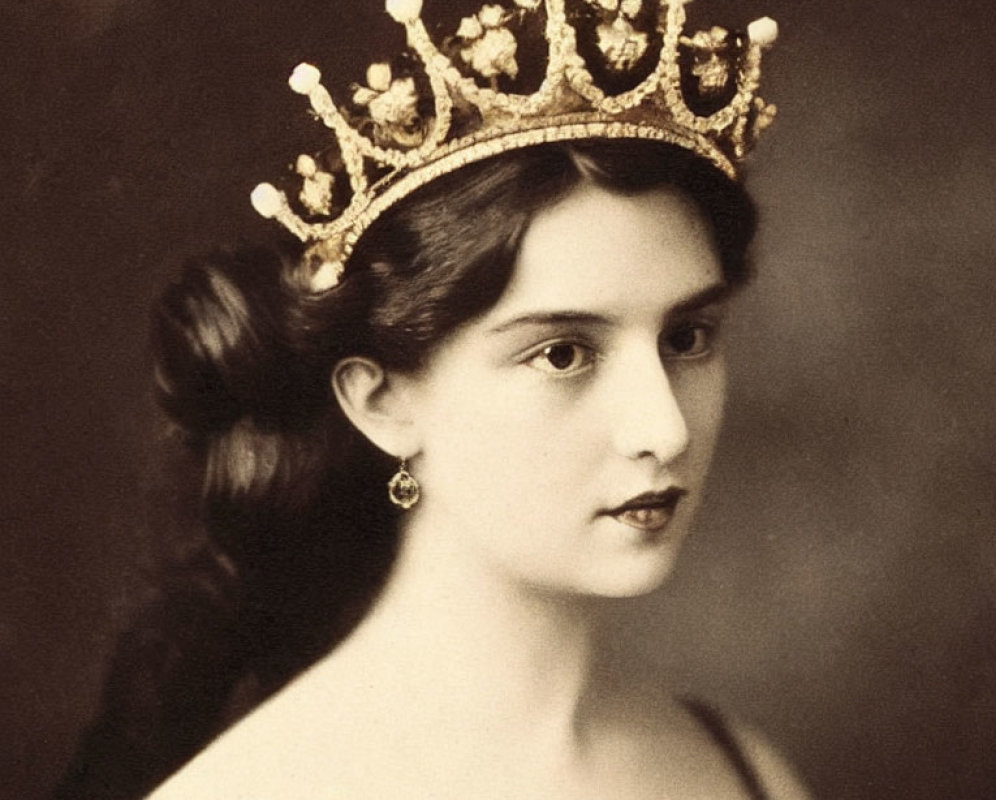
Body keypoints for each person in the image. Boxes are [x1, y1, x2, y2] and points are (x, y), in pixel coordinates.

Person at [54, 0, 812, 797]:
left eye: (686, 337)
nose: (663, 427)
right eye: (562, 353)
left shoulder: (740, 768)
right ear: (382, 402)